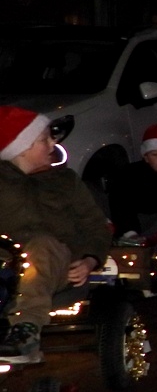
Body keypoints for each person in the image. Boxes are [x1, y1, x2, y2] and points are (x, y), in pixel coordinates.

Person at [0, 107, 111, 364]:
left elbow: (96, 227)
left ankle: (26, 331)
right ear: (23, 147)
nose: (53, 144)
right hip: (6, 262)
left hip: (57, 262)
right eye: (44, 139)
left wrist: (90, 260)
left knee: (41, 246)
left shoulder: (65, 181)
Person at [107, 123, 157, 240]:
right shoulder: (130, 174)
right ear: (146, 157)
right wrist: (130, 233)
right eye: (154, 154)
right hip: (135, 224)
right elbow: (121, 206)